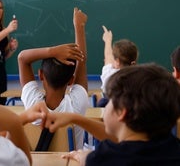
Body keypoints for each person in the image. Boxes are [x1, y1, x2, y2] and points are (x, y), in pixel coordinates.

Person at [45, 63, 180, 166]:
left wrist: (84, 156)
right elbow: (125, 138)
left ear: (122, 112)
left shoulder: (105, 157)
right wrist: (76, 118)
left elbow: (95, 156)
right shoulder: (174, 149)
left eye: (110, 101)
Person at [17, 7, 89, 149]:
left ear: (41, 75)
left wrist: (52, 51)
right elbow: (82, 60)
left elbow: (22, 58)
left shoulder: (33, 105)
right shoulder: (76, 106)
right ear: (71, 80)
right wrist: (79, 26)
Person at [98, 25, 138, 107]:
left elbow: (108, 56)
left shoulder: (109, 75)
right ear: (133, 62)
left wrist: (108, 40)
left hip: (112, 109)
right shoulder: (140, 78)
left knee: (102, 101)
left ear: (117, 61)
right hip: (132, 109)